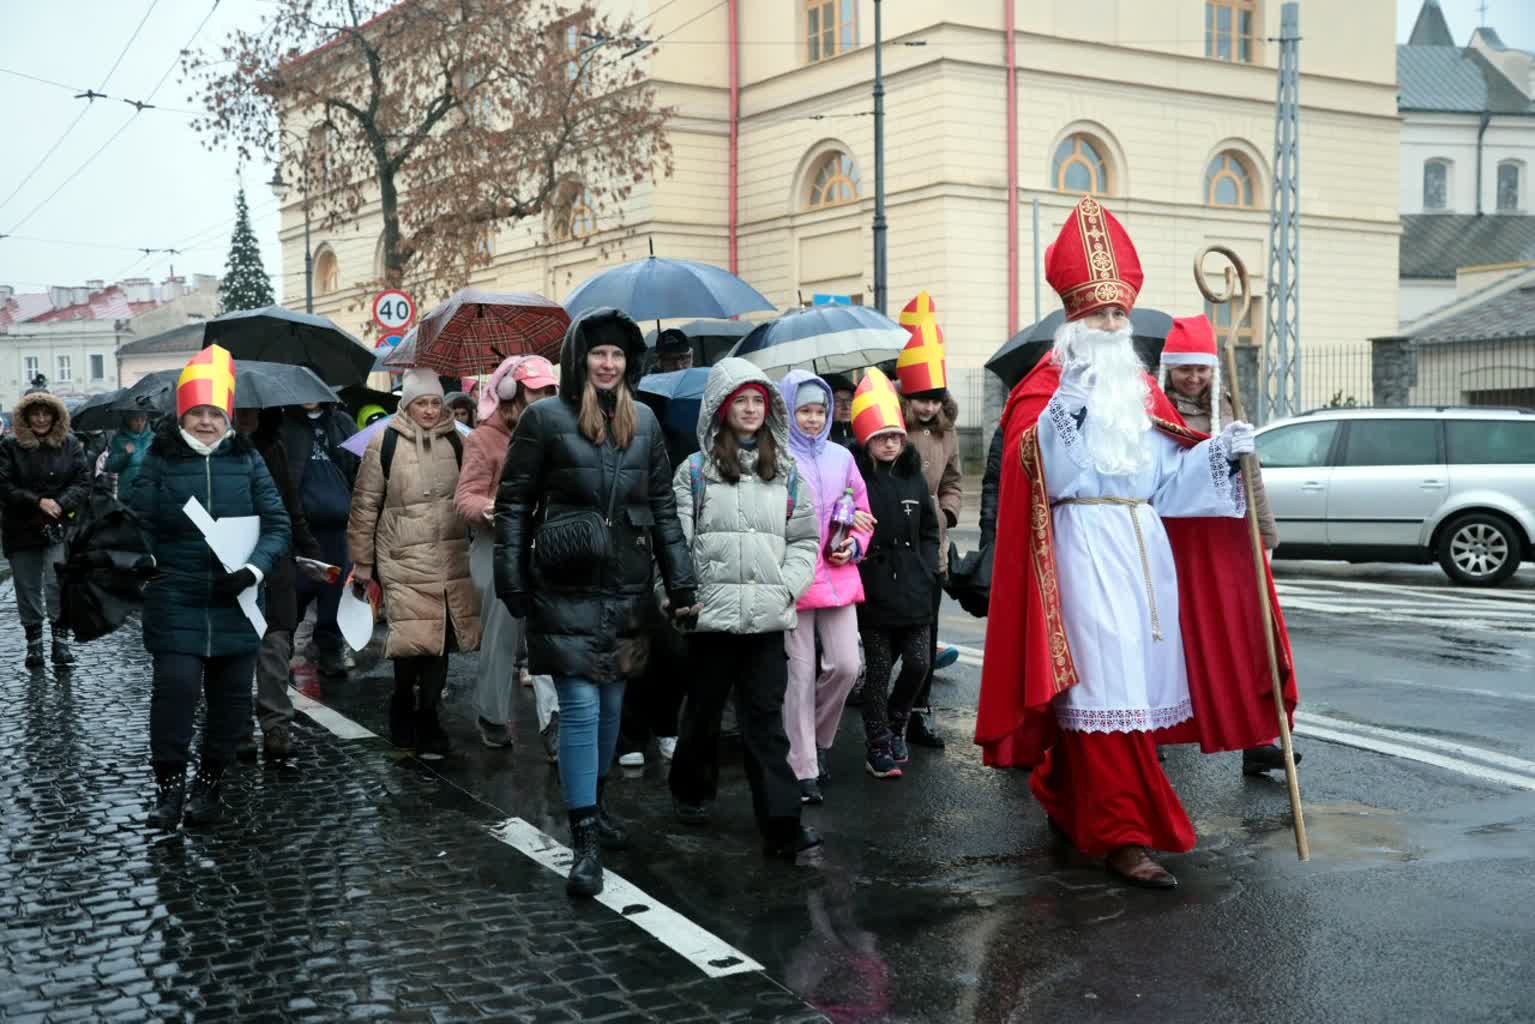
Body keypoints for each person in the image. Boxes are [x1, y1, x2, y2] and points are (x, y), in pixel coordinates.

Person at [975, 197, 1299, 888]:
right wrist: (1068, 404)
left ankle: (1068, 798)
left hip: (1144, 550)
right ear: (1073, 321)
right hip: (1082, 550)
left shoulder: (1143, 390)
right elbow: (1040, 473)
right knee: (1105, 686)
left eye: (1117, 315)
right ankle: (1123, 834)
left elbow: (1170, 484)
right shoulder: (1046, 391)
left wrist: (1222, 454)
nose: (1110, 324)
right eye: (1098, 314)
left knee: (1128, 688)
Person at [495, 308, 696, 899]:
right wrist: (511, 578)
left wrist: (680, 580)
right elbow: (513, 503)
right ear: (579, 359)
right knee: (581, 707)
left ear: (629, 362)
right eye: (598, 353)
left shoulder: (646, 422)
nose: (607, 364)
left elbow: (663, 507)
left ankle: (597, 801)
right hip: (564, 583)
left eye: (617, 354)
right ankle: (584, 838)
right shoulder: (544, 418)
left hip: (626, 587)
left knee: (611, 708)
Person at [129, 346, 291, 829]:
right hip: (176, 597)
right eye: (197, 412)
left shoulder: (248, 460)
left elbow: (277, 524)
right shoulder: (158, 459)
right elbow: (137, 522)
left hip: (235, 601)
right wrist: (144, 558)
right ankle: (168, 791)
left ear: (227, 418)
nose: (206, 422)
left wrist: (254, 570)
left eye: (215, 413)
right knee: (175, 694)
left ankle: (209, 786)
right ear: (183, 415)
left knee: (230, 703)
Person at [667, 357, 821, 859]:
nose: (751, 409)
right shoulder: (694, 471)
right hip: (708, 620)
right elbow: (676, 542)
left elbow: (805, 541)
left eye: (758, 400)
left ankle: (782, 824)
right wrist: (679, 595)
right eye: (741, 401)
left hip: (766, 620)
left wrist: (786, 588)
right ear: (721, 408)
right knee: (703, 714)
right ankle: (691, 789)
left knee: (765, 723)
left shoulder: (788, 472)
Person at [1158, 314, 1296, 779]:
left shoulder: (1229, 408)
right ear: (1170, 369)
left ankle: (1257, 738)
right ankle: (1154, 734)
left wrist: (1265, 534)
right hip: (1174, 539)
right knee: (1172, 641)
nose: (1194, 377)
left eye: (1201, 368)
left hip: (1227, 540)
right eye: (1185, 369)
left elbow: (1251, 477)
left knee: (1245, 637)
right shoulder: (1154, 410)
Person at [348, 369, 481, 760]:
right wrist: (362, 562)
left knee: (439, 643)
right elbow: (364, 504)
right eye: (421, 402)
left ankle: (429, 717)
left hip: (450, 558)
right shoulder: (384, 442)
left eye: (435, 402)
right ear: (406, 405)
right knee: (411, 643)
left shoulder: (458, 440)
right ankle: (403, 704)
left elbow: (471, 491)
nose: (429, 410)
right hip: (402, 559)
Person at [454, 354, 561, 760]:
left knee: (550, 635)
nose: (544, 398)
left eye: (549, 390)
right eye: (536, 391)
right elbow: (465, 497)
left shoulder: (555, 432)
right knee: (500, 637)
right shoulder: (483, 439)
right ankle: (492, 715)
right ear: (512, 393)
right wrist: (492, 509)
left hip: (545, 544)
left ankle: (554, 722)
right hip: (498, 545)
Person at [779, 368, 874, 804]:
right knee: (798, 676)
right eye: (805, 411)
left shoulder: (843, 457)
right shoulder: (776, 456)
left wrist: (854, 545)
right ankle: (802, 767)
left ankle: (814, 740)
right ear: (788, 411)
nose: (814, 419)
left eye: (820, 411)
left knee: (847, 666)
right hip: (793, 579)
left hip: (838, 575)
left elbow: (861, 512)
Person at [848, 369, 940, 780]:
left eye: (896, 437)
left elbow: (929, 530)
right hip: (874, 588)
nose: (889, 444)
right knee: (879, 672)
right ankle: (877, 743)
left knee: (919, 664)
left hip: (915, 587)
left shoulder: (913, 476)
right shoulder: (856, 478)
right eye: (881, 437)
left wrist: (927, 565)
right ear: (866, 439)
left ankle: (897, 721)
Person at [235, 406, 322, 761]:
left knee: (275, 644)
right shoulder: (212, 454)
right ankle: (238, 727)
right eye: (238, 409)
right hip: (229, 563)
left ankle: (276, 726)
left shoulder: (273, 446)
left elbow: (290, 505)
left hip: (274, 562)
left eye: (251, 409)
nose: (245, 415)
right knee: (236, 651)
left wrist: (310, 549)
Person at [895, 292, 962, 749]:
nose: (927, 408)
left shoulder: (947, 432)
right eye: (920, 398)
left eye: (934, 400)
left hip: (931, 544)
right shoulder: (893, 428)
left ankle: (919, 713)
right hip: (895, 541)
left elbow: (953, 480)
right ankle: (887, 710)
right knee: (890, 633)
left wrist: (949, 511)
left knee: (928, 631)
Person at [0, 387, 90, 667]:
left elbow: (82, 481)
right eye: (35, 414)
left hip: (59, 525)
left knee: (57, 583)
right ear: (26, 417)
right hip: (21, 526)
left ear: (55, 415)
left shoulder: (70, 444)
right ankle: (34, 644)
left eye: (45, 413)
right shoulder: (10, 446)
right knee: (27, 586)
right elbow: (4, 484)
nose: (40, 419)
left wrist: (61, 503)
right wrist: (37, 501)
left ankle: (60, 643)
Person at [279, 399, 359, 678]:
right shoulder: (283, 424)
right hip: (299, 525)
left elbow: (355, 468)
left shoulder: (341, 423)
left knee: (333, 591)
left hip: (337, 526)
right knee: (297, 590)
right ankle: (283, 646)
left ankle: (329, 648)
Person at [104, 411, 153, 496]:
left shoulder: (153, 438)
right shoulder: (119, 439)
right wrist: (125, 455)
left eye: (143, 420)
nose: (139, 423)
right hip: (128, 492)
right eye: (136, 420)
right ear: (128, 420)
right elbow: (112, 466)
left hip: (149, 491)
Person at [823, 373, 857, 450]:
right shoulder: (820, 439)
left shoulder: (861, 432)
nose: (846, 406)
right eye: (838, 400)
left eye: (849, 400)